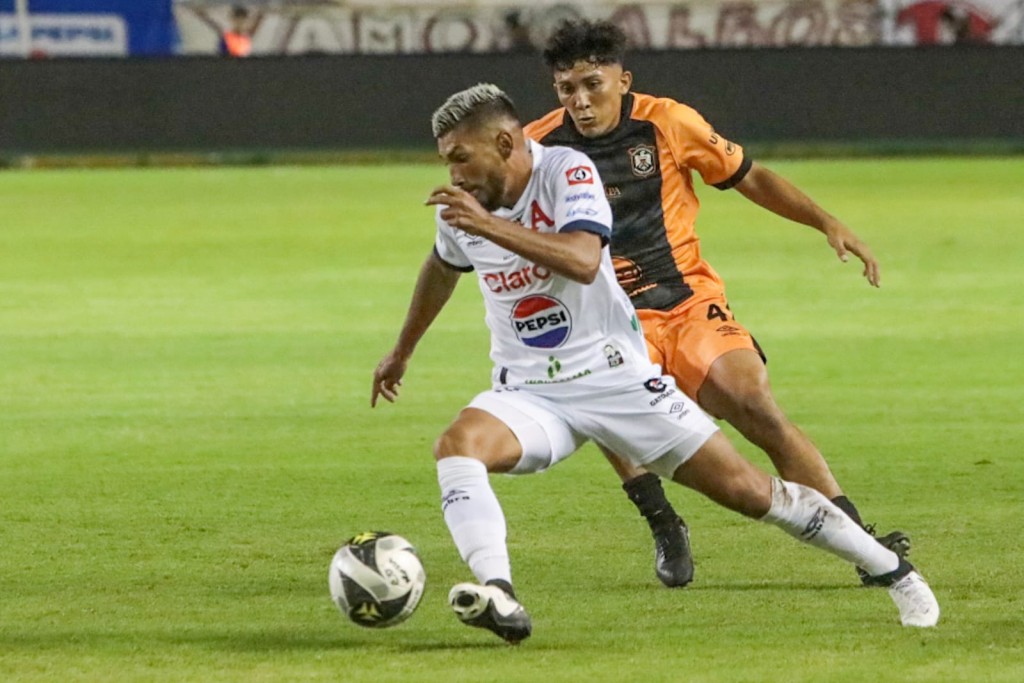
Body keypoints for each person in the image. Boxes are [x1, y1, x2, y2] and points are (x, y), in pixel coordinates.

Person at [371, 83, 939, 643]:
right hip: (531, 392)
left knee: (751, 492)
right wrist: (401, 352)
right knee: (457, 447)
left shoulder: (566, 171)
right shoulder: (465, 211)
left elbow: (583, 259)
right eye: (447, 163)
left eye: (460, 159)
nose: (454, 177)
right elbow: (443, 267)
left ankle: (894, 570)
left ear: (502, 142)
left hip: (616, 379)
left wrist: (487, 224)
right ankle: (499, 592)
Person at [524, 19, 909, 588]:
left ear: (623, 80)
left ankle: (857, 537)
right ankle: (663, 522)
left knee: (752, 401)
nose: (580, 101)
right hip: (605, 317)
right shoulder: (539, 147)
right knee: (608, 414)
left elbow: (749, 177)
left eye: (592, 84)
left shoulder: (669, 122)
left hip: (685, 300)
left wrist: (825, 221)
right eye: (566, 89)